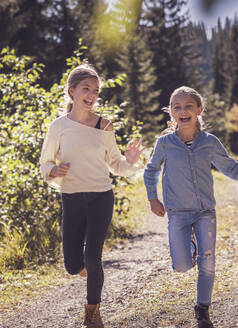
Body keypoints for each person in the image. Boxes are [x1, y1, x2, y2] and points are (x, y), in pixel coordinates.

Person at [143, 86, 238, 328]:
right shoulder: (165, 144)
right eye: (177, 107)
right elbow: (151, 171)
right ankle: (190, 246)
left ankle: (202, 309)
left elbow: (231, 167)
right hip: (178, 212)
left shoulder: (209, 142)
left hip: (205, 212)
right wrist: (153, 198)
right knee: (181, 265)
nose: (183, 111)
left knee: (208, 260)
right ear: (170, 112)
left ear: (199, 110)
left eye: (188, 106)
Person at [39, 64, 144, 328]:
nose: (92, 95)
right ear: (72, 91)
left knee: (93, 256)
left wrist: (130, 161)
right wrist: (54, 170)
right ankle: (87, 270)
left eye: (96, 91)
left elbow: (116, 164)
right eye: (86, 89)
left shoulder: (104, 125)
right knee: (72, 265)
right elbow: (45, 164)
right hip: (72, 197)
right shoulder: (58, 126)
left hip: (101, 196)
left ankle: (92, 311)